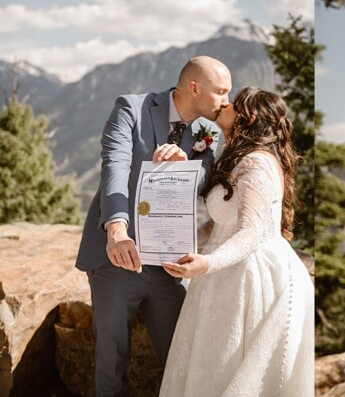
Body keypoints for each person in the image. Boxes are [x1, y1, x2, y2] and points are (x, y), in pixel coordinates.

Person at [75, 56, 230, 397]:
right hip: (117, 257)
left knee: (180, 355)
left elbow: (204, 178)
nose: (226, 101)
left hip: (168, 262)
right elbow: (114, 166)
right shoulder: (131, 108)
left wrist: (186, 166)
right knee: (111, 360)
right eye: (221, 91)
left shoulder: (208, 132)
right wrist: (117, 231)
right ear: (194, 87)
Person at [157, 87, 314, 396]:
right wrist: (180, 241)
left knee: (229, 366)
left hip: (249, 275)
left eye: (232, 103)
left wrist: (207, 262)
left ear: (248, 117)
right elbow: (222, 223)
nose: (223, 105)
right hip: (223, 272)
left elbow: (251, 231)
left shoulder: (257, 163)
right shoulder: (241, 158)